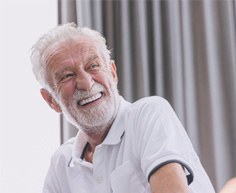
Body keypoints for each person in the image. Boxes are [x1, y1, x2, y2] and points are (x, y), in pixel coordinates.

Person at [31, 23, 215, 193]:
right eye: (67, 76)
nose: (86, 83)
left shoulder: (149, 114)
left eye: (93, 66)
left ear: (112, 72)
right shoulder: (62, 162)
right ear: (51, 100)